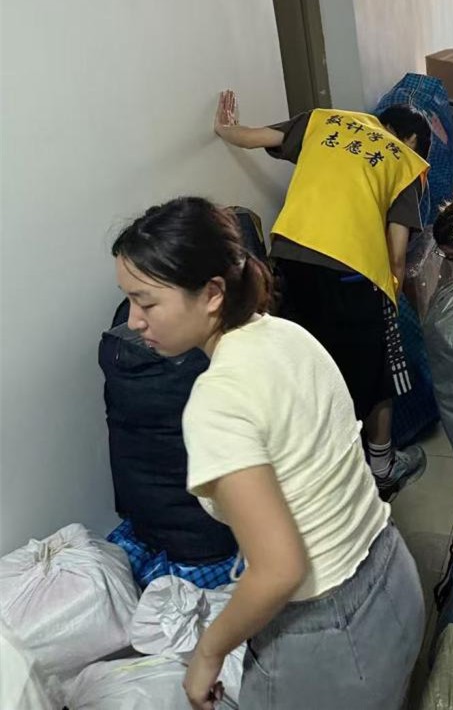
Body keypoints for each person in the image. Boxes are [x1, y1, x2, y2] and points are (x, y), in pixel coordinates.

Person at [112, 197, 425, 710]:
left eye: (146, 302)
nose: (134, 321)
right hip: (392, 576)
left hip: (329, 633)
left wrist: (209, 653)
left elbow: (279, 569)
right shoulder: (287, 335)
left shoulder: (217, 401)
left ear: (212, 293)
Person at [213, 91, 431, 500]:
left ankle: (320, 474)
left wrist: (225, 129)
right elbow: (398, 256)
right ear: (412, 140)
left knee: (309, 370)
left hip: (289, 263)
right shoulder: (403, 160)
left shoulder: (325, 121)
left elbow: (254, 137)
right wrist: (390, 298)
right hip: (352, 276)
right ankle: (380, 471)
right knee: (375, 375)